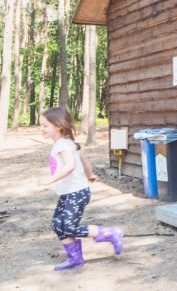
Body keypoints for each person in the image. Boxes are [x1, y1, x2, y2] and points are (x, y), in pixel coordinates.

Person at [38, 107, 124, 270]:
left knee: (69, 227)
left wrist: (49, 180)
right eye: (41, 125)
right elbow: (83, 160)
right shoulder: (69, 143)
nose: (41, 129)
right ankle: (75, 258)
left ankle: (111, 233)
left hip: (75, 193)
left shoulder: (62, 145)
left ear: (58, 125)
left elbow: (70, 165)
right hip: (69, 193)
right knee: (58, 225)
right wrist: (90, 174)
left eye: (44, 125)